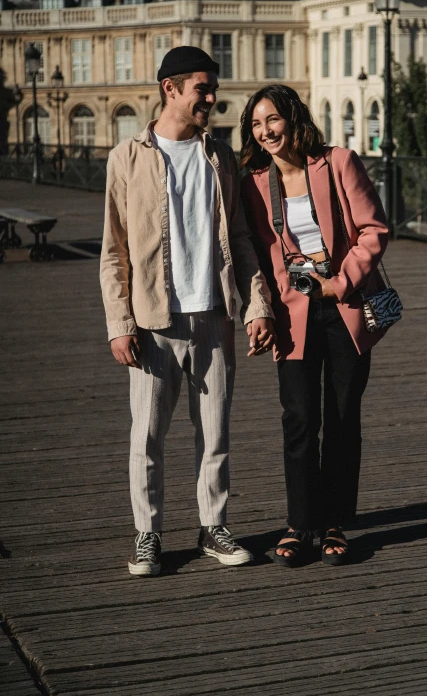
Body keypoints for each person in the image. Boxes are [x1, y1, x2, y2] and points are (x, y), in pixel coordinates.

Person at [100, 46, 275, 577]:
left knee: (215, 433)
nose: (212, 98)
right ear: (170, 89)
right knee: (147, 437)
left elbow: (241, 239)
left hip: (214, 316)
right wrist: (118, 324)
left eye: (212, 87)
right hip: (154, 322)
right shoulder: (126, 158)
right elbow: (114, 251)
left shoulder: (220, 156)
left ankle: (213, 526)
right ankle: (148, 534)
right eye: (203, 87)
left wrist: (257, 306)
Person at [240, 84, 389, 566]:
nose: (265, 132)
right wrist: (259, 311)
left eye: (273, 121)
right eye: (257, 125)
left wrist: (339, 282)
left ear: (293, 118)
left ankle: (334, 523)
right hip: (293, 314)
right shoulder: (256, 182)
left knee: (343, 417)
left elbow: (374, 229)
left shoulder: (338, 162)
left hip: (345, 306)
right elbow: (260, 258)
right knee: (300, 419)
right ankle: (299, 523)